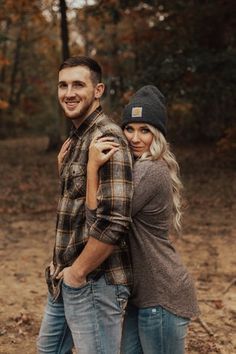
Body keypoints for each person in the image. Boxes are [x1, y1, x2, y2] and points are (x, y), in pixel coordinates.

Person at [86, 85, 200, 354]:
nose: (135, 138)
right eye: (129, 128)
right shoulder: (138, 167)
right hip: (144, 297)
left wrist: (92, 168)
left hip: (162, 295)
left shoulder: (150, 169)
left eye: (145, 130)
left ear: (157, 134)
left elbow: (99, 221)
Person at [37, 56, 133, 354]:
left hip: (95, 281)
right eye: (63, 85)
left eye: (78, 84)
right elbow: (79, 205)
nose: (69, 93)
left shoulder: (107, 137)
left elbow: (114, 220)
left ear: (98, 90)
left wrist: (77, 272)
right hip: (65, 277)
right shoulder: (78, 138)